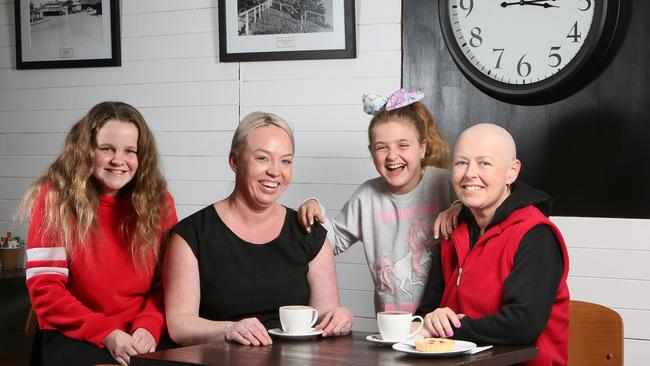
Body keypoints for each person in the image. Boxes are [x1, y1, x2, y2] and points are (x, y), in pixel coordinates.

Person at [164, 111, 353, 347]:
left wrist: (339, 318)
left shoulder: (310, 233)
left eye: (286, 161)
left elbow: (326, 314)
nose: (275, 171)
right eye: (262, 158)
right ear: (235, 161)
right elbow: (179, 324)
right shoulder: (191, 234)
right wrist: (229, 329)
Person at [21, 101, 178, 366]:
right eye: (107, 149)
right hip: (75, 333)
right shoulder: (54, 198)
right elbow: (46, 290)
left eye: (130, 151)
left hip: (140, 332)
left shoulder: (159, 202)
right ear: (85, 150)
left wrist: (148, 325)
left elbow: (168, 284)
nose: (119, 160)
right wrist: (106, 333)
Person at [418, 123, 569, 366]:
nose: (470, 174)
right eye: (461, 163)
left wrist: (447, 329)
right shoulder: (451, 231)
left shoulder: (536, 235)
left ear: (512, 171)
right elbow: (426, 312)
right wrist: (431, 320)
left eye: (484, 163)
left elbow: (522, 325)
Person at [298, 89, 461, 314]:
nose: (392, 156)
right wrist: (313, 208)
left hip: (443, 321)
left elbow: (479, 217)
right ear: (372, 152)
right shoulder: (367, 197)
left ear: (422, 148)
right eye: (382, 147)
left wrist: (458, 207)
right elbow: (332, 243)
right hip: (391, 324)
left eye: (403, 145)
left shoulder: (444, 184)